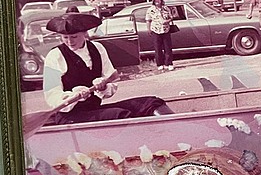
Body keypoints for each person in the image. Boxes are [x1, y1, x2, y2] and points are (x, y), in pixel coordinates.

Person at [42, 10, 171, 124]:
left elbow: (111, 80)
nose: (70, 42)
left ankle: (179, 133)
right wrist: (74, 96)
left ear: (84, 33)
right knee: (119, 115)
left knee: (151, 102)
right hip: (70, 116)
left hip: (93, 110)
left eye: (74, 37)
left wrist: (103, 86)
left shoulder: (97, 48)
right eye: (65, 37)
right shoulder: (55, 56)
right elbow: (52, 96)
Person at [145, 0, 174, 71]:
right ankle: (160, 64)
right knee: (158, 48)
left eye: (158, 0)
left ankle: (169, 63)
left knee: (167, 48)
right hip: (155, 30)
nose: (157, 2)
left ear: (161, 0)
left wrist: (167, 21)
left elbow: (171, 17)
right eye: (155, 0)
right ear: (153, 2)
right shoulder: (150, 10)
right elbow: (148, 20)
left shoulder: (166, 8)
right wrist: (148, 29)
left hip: (165, 30)